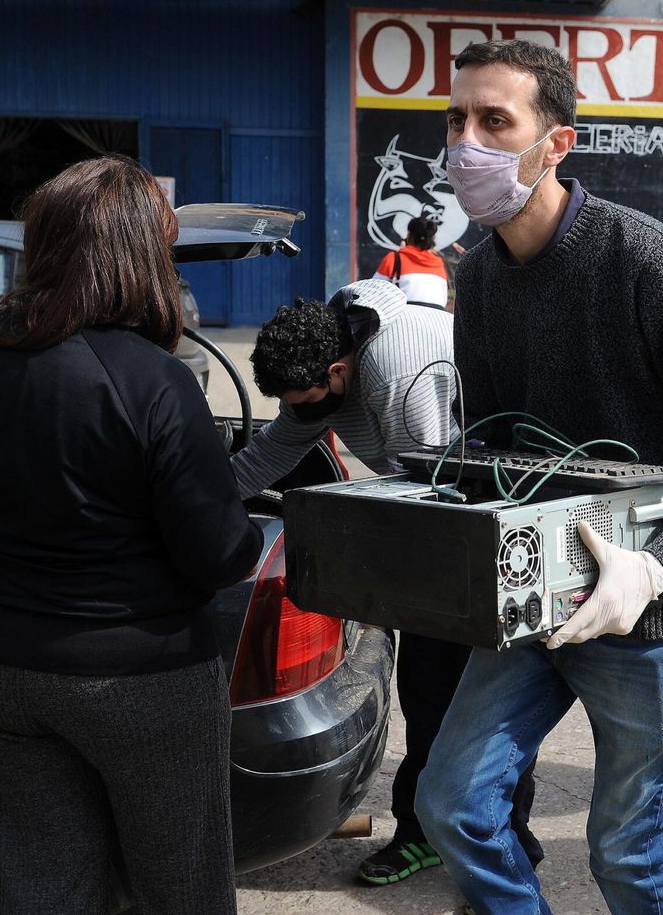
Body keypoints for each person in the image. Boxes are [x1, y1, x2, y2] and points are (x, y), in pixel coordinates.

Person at [412, 38, 663, 915]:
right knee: (450, 803)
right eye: (457, 120)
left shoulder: (647, 261)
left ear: (557, 143)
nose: (468, 142)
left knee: (628, 846)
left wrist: (655, 566)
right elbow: (492, 442)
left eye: (495, 121)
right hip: (535, 605)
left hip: (650, 616)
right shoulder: (481, 278)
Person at [0, 156, 261, 915]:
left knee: (48, 886)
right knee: (182, 890)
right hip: (138, 675)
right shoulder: (154, 379)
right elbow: (221, 555)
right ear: (139, 256)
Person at [229, 278, 544, 886]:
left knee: (495, 701)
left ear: (340, 370)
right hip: (436, 536)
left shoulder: (400, 367)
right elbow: (267, 456)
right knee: (426, 694)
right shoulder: (318, 368)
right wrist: (195, 501)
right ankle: (422, 835)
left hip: (486, 528)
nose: (303, 409)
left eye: (308, 396)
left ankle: (511, 846)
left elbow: (432, 482)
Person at [375, 215, 451, 308]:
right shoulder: (439, 264)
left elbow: (373, 291)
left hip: (406, 317)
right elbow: (443, 300)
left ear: (410, 236)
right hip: (437, 318)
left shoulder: (394, 258)